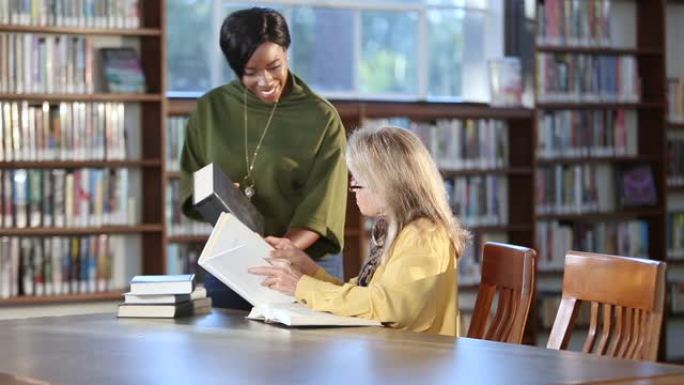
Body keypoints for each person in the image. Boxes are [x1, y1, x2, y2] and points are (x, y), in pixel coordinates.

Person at [180, 8, 348, 310]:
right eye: (251, 72)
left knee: (310, 356)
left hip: (305, 263)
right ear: (235, 68)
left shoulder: (321, 117)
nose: (266, 80)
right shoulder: (210, 109)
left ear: (285, 53)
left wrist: (282, 250)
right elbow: (192, 184)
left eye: (274, 66)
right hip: (234, 262)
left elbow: (324, 208)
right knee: (231, 353)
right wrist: (218, 195)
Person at [249, 126, 470, 337]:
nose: (352, 188)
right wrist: (308, 270)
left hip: (414, 361)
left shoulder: (424, 236)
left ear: (385, 183)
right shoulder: (397, 229)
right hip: (395, 354)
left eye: (357, 180)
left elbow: (389, 306)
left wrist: (302, 286)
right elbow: (364, 295)